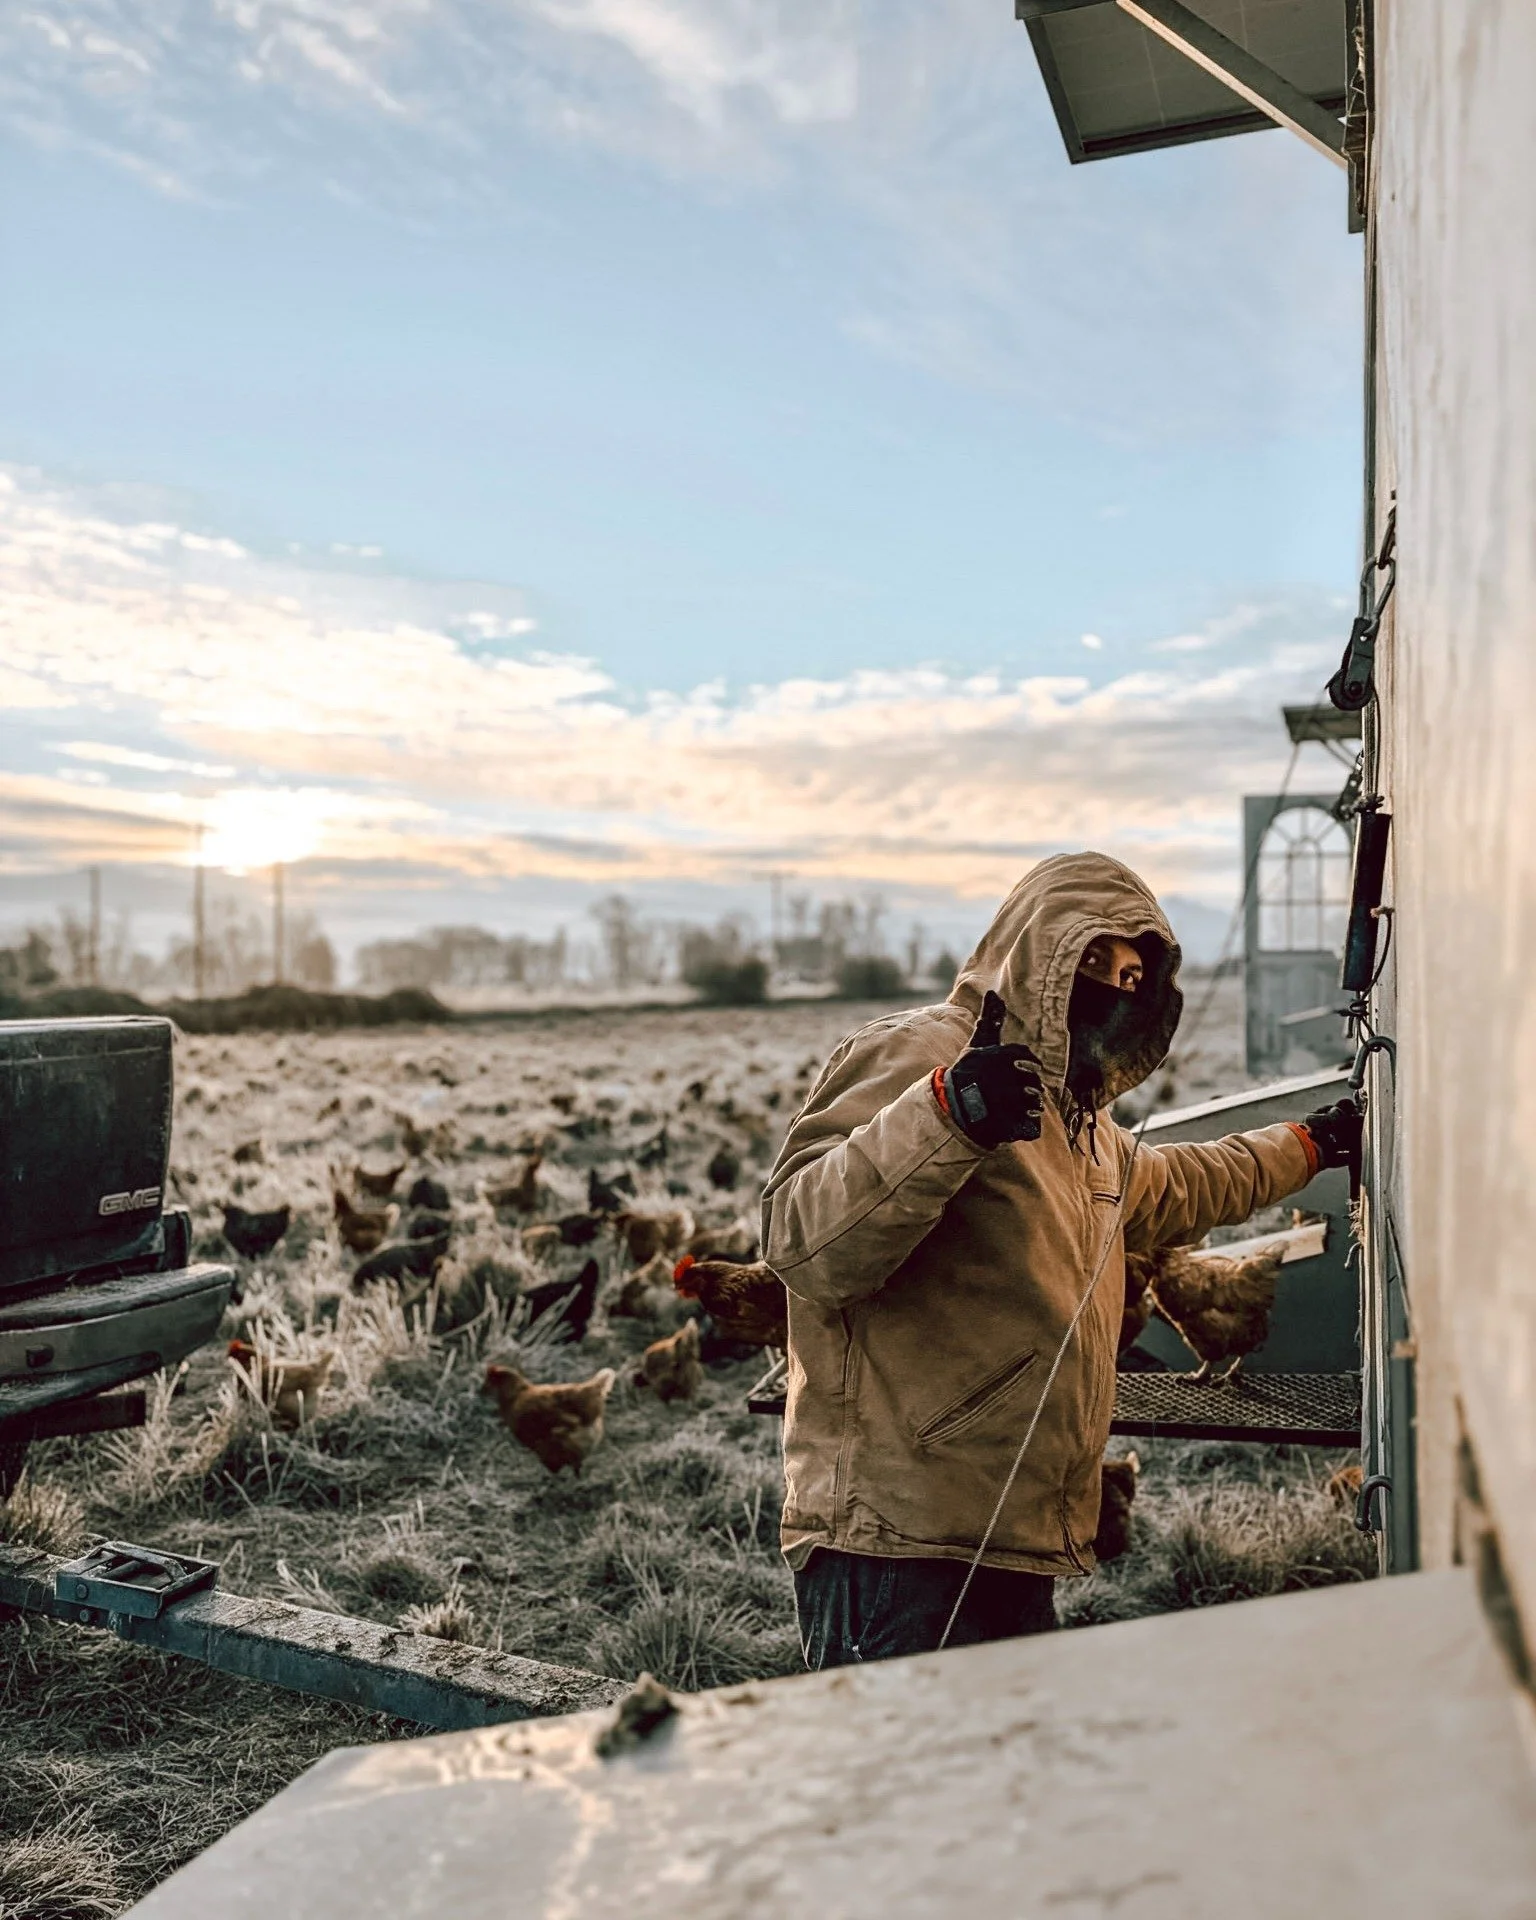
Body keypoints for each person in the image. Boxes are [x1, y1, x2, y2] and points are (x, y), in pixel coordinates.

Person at [761, 852, 1360, 1669]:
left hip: (1017, 1532)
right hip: (897, 1543)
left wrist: (1308, 1144)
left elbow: (1182, 1180)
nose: (1119, 986)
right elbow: (804, 1243)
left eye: (1136, 974)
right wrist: (949, 1114)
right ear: (1045, 954)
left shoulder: (1078, 1123)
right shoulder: (919, 1053)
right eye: (1102, 961)